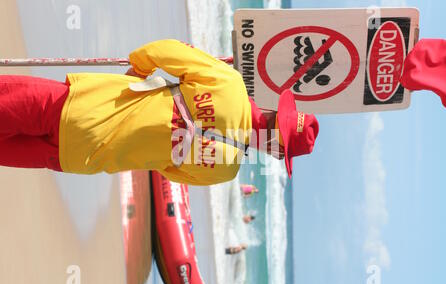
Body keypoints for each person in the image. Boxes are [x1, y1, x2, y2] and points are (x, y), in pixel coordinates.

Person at [0, 39, 319, 185]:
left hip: (80, 106)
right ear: (276, 153)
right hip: (81, 158)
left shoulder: (230, 84)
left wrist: (136, 76)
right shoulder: (224, 171)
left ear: (275, 109)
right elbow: (167, 171)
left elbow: (159, 53)